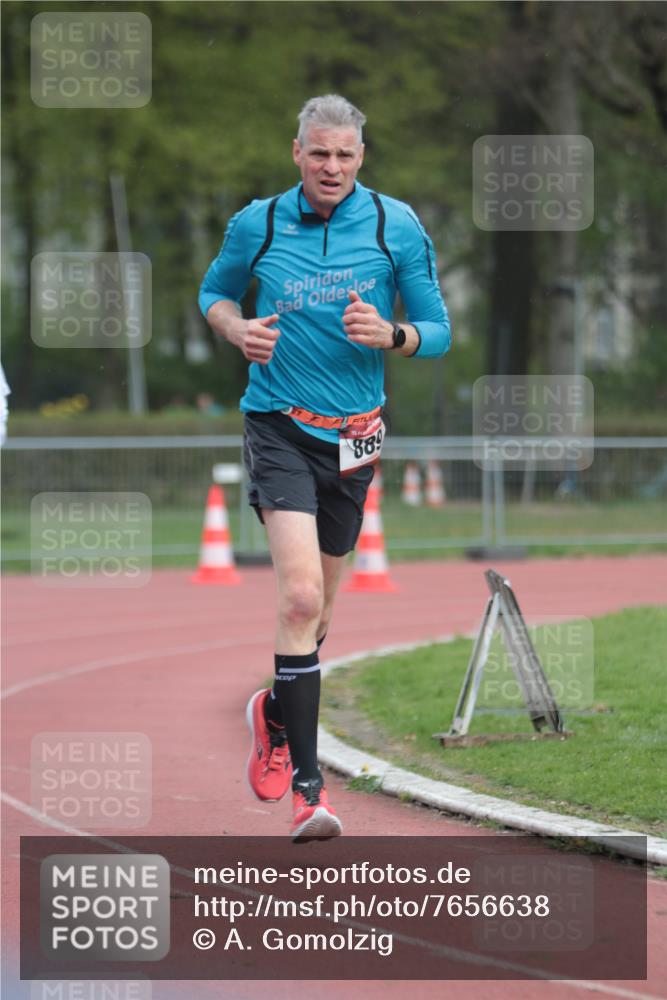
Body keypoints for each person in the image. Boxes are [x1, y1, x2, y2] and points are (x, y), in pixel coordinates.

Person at [199, 94, 450, 840]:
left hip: (355, 437)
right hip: (278, 423)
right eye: (319, 153)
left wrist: (393, 334)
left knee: (322, 615)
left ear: (360, 157)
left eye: (344, 154)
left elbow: (437, 329)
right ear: (297, 153)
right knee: (301, 597)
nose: (331, 167)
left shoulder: (394, 225)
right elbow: (215, 293)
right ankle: (310, 792)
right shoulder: (259, 222)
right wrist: (237, 329)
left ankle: (274, 713)